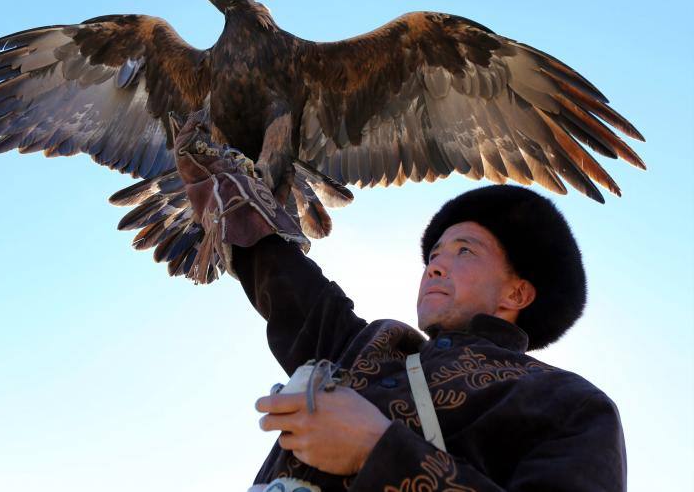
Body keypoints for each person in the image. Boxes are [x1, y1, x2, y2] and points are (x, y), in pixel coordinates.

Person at [173, 117, 627, 491]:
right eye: (434, 256)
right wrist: (229, 197)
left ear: (517, 293)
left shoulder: (571, 406)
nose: (435, 267)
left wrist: (377, 449)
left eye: (464, 251)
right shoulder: (370, 346)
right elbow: (292, 290)